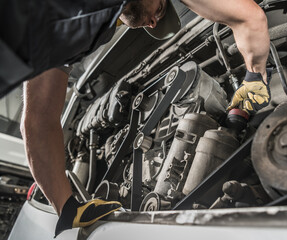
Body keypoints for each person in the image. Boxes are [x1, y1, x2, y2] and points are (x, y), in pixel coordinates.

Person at [1, 0, 270, 237]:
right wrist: (254, 77)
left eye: (153, 23)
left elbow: (39, 120)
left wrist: (67, 207)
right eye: (161, 8)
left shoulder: (83, 32)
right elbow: (249, 17)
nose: (153, 21)